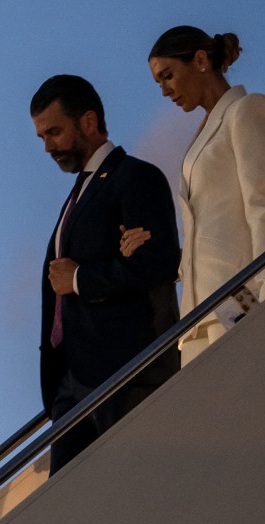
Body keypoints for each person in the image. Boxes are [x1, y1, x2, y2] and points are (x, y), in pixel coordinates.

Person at [30, 75, 181, 475]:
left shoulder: (136, 177)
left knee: (136, 497)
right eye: (42, 136)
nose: (47, 147)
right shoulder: (76, 196)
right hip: (70, 385)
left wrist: (79, 280)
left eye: (55, 132)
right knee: (71, 512)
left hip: (125, 374)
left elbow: (157, 263)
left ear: (89, 121)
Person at [121, 26, 265, 366]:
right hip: (199, 314)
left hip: (241, 301)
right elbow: (209, 230)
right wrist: (159, 253)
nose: (165, 91)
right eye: (158, 83)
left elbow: (262, 207)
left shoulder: (246, 110)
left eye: (168, 76)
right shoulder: (200, 135)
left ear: (200, 60)